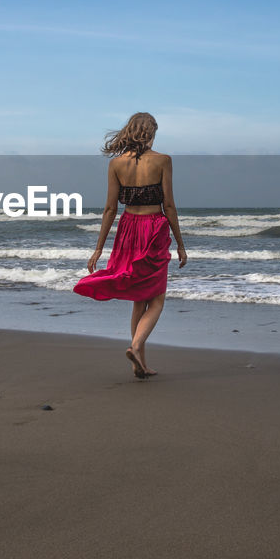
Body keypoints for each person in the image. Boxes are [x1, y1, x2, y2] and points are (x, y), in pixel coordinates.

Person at [73, 112, 187, 379]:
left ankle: (142, 364)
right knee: (156, 299)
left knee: (139, 299)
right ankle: (135, 347)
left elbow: (110, 209)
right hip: (154, 228)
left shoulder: (116, 165)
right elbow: (168, 205)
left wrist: (99, 248)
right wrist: (180, 244)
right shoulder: (163, 161)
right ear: (151, 132)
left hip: (128, 229)